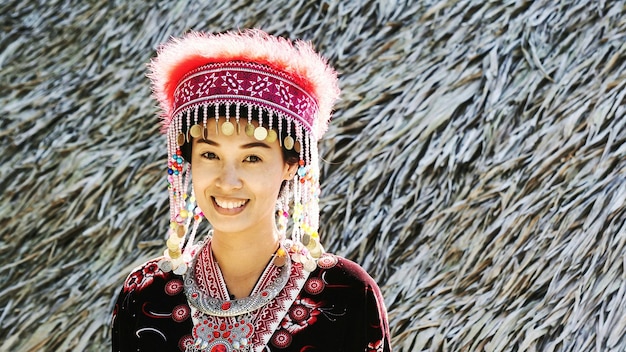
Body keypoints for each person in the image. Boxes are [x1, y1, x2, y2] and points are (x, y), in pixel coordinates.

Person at [111, 29, 391, 352]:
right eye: (210, 154)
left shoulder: (345, 295)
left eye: (252, 157)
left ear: (291, 164)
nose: (228, 181)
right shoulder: (145, 295)